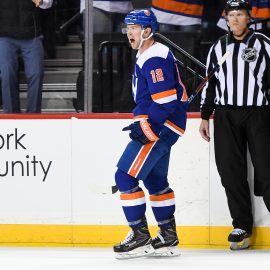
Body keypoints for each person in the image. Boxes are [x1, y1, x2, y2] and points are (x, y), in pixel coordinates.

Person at [113, 9, 188, 259]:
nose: (129, 32)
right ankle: (168, 236)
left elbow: (165, 100)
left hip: (158, 128)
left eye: (134, 27)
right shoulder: (148, 53)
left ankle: (140, 236)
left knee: (124, 177)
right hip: (165, 127)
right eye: (128, 27)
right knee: (156, 182)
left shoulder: (154, 57)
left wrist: (148, 127)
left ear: (147, 31)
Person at [199, 0, 270, 250]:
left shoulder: (264, 44)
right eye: (232, 15)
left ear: (248, 18)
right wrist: (205, 116)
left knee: (267, 170)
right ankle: (241, 225)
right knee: (231, 172)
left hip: (259, 114)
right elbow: (211, 84)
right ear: (226, 19)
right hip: (226, 115)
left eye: (240, 14)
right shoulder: (218, 47)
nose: (236, 19)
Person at [0, 0, 53, 113]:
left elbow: (48, 3)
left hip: (32, 35)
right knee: (7, 74)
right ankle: (10, 115)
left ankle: (33, 115)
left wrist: (42, 1)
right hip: (4, 36)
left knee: (36, 73)